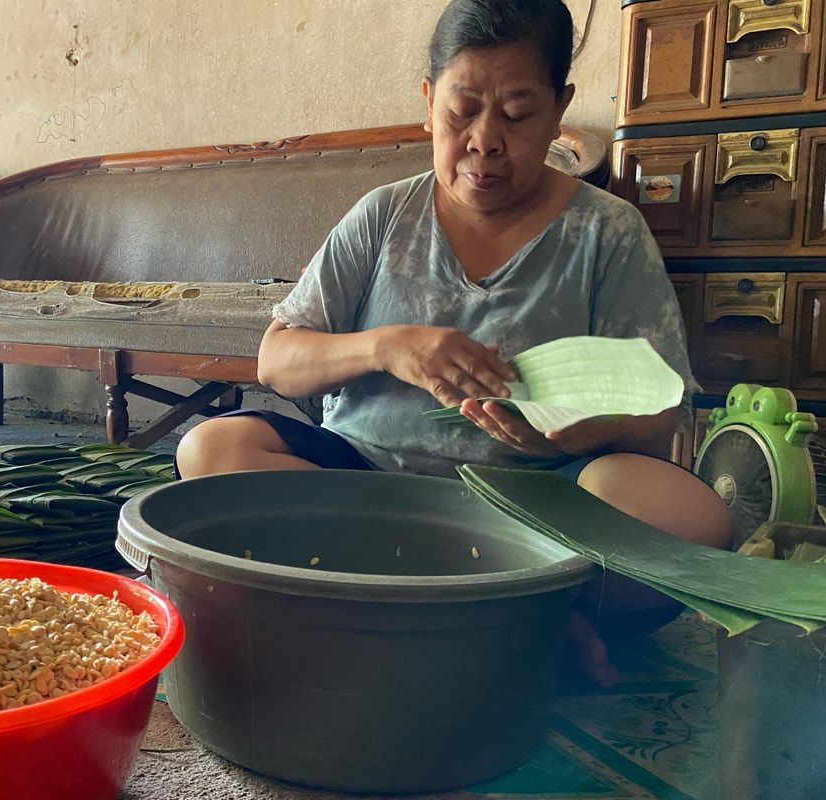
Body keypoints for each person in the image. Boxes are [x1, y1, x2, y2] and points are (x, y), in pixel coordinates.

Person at [176, 0, 732, 686]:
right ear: (428, 101)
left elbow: (661, 406)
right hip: (364, 491)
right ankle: (523, 619)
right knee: (212, 449)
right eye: (461, 110)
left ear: (560, 110)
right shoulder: (384, 215)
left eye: (519, 113)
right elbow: (278, 360)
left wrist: (564, 433)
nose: (485, 141)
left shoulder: (606, 233)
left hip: (533, 512)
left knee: (689, 517)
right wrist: (384, 346)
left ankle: (411, 609)